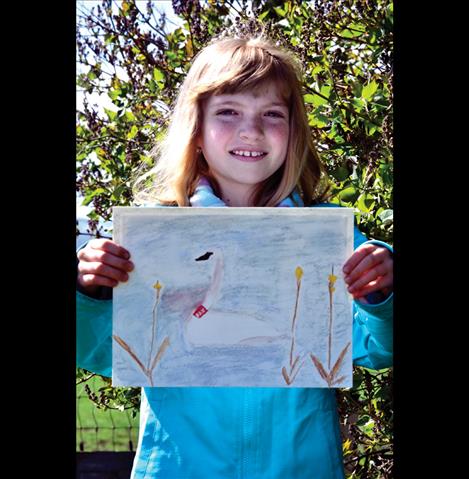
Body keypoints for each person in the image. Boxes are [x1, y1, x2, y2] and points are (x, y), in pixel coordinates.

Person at [77, 32, 393, 479]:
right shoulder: (153, 237)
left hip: (303, 469)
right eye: (228, 112)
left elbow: (378, 349)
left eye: (272, 114)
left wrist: (383, 295)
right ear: (197, 130)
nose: (251, 129)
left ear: (293, 131)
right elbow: (98, 351)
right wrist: (89, 293)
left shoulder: (326, 235)